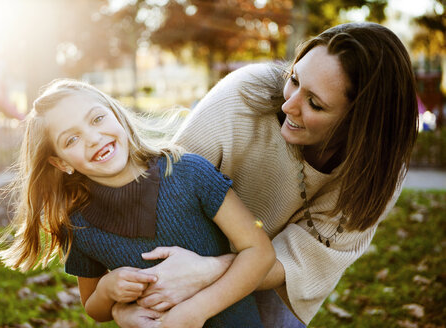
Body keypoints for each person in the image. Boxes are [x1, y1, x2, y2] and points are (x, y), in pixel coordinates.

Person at [109, 22, 419, 327]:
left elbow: (300, 261)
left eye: (314, 103)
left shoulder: (377, 173)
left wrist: (210, 272)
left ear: (360, 124)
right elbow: (165, 199)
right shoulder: (243, 96)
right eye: (294, 80)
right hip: (183, 250)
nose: (289, 104)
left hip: (271, 279)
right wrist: (127, 300)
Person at [0, 79, 276, 327]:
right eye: (72, 139)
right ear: (61, 163)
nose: (94, 138)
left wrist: (196, 311)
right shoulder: (78, 224)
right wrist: (109, 291)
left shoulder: (188, 172)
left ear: (117, 114)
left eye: (97, 119)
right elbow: (92, 307)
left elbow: (260, 252)